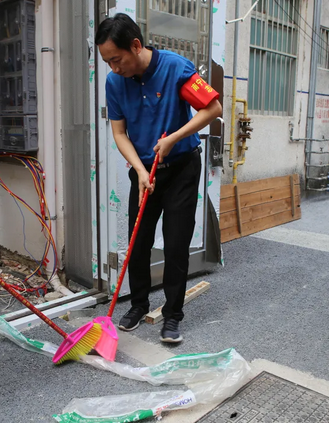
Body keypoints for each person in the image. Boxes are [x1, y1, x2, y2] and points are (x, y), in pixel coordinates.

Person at [95, 14, 222, 343]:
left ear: (136, 46)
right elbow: (119, 133)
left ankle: (173, 315)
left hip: (181, 167)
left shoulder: (175, 68)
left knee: (176, 243)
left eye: (117, 59)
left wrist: (173, 138)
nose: (113, 68)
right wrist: (138, 169)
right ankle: (138, 305)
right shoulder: (114, 83)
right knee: (138, 242)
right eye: (107, 61)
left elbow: (213, 109)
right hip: (144, 172)